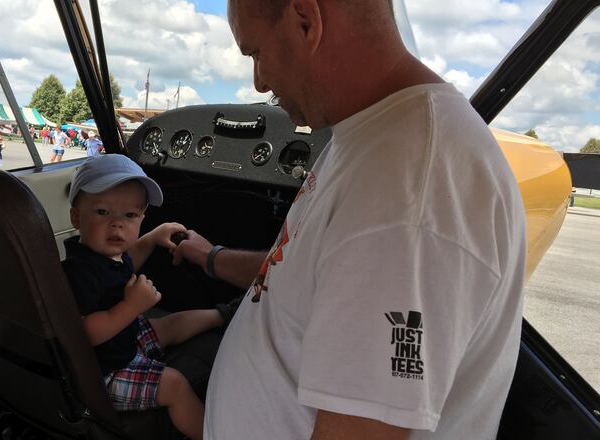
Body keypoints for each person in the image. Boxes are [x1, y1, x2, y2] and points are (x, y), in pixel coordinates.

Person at [172, 1, 527, 439]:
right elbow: (300, 272)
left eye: (256, 53)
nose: (259, 81)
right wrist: (212, 257)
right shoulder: (370, 135)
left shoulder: (408, 191)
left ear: (306, 21)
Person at [62, 154, 231, 440]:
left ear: (141, 218)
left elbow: (129, 261)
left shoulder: (105, 254)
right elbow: (85, 334)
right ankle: (213, 435)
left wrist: (152, 238)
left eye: (130, 215)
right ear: (76, 217)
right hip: (101, 374)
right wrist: (131, 306)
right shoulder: (79, 271)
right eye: (103, 212)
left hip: (121, 341)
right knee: (175, 385)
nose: (117, 224)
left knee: (169, 324)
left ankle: (226, 313)